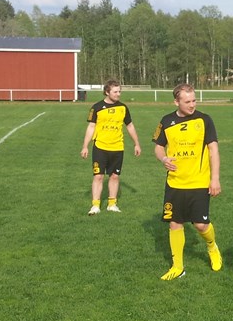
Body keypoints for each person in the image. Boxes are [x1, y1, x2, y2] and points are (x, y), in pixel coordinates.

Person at [152, 83, 222, 280]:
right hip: (175, 183)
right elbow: (158, 147)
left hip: (199, 182)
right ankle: (178, 267)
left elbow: (213, 150)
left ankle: (212, 247)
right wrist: (163, 159)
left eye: (194, 100)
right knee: (175, 223)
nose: (192, 105)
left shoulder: (204, 120)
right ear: (176, 102)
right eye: (187, 101)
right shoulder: (166, 121)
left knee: (200, 225)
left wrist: (215, 178)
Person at [81, 79, 141, 215]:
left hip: (117, 147)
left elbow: (130, 126)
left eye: (119, 91)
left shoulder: (123, 108)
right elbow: (91, 127)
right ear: (107, 92)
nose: (118, 94)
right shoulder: (96, 107)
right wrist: (85, 146)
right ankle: (95, 205)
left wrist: (136, 143)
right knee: (98, 176)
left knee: (114, 176)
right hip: (100, 147)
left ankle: (112, 204)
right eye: (115, 92)